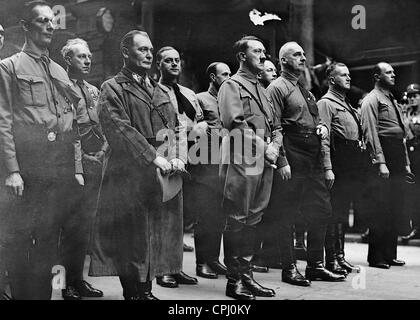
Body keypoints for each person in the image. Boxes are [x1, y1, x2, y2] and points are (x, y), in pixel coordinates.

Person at [89, 30, 187, 300]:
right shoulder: (113, 87)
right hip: (129, 170)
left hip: (163, 171)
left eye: (150, 50)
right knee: (132, 235)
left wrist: (177, 156)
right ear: (125, 52)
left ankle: (146, 290)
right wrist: (152, 156)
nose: (148, 54)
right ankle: (133, 293)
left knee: (157, 231)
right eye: (142, 49)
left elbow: (176, 128)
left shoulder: (160, 89)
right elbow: (118, 128)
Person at [0, 1, 84, 299]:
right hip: (28, 162)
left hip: (57, 164)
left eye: (52, 21)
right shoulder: (9, 67)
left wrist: (75, 167)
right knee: (21, 239)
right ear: (26, 26)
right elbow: (3, 122)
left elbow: (72, 123)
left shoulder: (59, 70)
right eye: (42, 21)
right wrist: (12, 171)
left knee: (49, 238)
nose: (50, 26)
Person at [267, 41, 345, 287]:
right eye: (297, 55)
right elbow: (273, 127)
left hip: (311, 156)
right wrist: (281, 161)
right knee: (287, 213)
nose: (303, 58)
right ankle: (289, 269)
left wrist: (325, 163)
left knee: (321, 210)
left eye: (303, 54)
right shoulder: (276, 88)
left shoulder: (306, 90)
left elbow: (319, 125)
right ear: (283, 60)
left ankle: (315, 266)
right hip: (292, 152)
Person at [218, 35, 281, 300]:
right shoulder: (231, 85)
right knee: (238, 218)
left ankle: (247, 275)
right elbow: (235, 125)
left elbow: (276, 126)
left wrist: (276, 144)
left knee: (255, 218)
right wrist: (265, 146)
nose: (264, 55)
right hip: (242, 161)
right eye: (257, 51)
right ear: (242, 56)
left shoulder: (264, 90)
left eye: (265, 51)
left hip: (265, 161)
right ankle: (234, 282)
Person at [154, 46, 205, 288]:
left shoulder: (188, 94)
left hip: (189, 156)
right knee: (162, 216)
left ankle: (175, 267)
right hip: (163, 155)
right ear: (159, 65)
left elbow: (202, 123)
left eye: (177, 60)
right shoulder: (153, 91)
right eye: (168, 61)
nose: (174, 64)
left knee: (179, 216)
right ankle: (162, 269)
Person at [60, 38, 106, 300]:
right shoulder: (61, 88)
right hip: (72, 167)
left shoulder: (93, 90)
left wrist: (101, 152)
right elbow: (70, 132)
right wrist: (82, 161)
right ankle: (63, 283)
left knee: (85, 225)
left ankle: (78, 280)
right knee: (66, 227)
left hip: (96, 163)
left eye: (89, 57)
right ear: (68, 59)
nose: (87, 61)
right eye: (81, 57)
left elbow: (103, 126)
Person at [361, 62, 410, 269]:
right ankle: (376, 257)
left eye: (393, 71)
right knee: (380, 208)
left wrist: (406, 162)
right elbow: (370, 133)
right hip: (384, 155)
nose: (393, 74)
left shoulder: (391, 99)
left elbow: (402, 135)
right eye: (388, 72)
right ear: (377, 76)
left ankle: (390, 254)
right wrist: (381, 162)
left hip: (396, 153)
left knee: (394, 206)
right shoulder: (371, 99)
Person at [318, 63, 365, 274]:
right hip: (338, 160)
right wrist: (327, 167)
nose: (348, 78)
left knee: (343, 211)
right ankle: (331, 260)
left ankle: (340, 256)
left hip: (350, 161)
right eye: (343, 75)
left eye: (349, 74)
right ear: (331, 80)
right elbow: (324, 140)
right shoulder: (326, 104)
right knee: (334, 211)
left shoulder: (345, 103)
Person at [193, 62, 231, 279]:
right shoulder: (200, 99)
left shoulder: (230, 101)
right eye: (224, 74)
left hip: (224, 164)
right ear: (212, 77)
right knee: (204, 214)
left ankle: (214, 259)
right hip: (206, 164)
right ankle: (201, 263)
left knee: (219, 214)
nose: (228, 77)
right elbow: (196, 130)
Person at [251, 58, 281, 273]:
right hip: (254, 156)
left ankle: (263, 255)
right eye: (269, 70)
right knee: (254, 211)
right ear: (260, 73)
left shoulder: (268, 95)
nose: (274, 73)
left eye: (275, 70)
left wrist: (276, 148)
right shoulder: (259, 93)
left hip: (272, 155)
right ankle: (251, 258)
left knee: (269, 210)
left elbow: (277, 126)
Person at [401, 83, 420, 243]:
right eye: (410, 96)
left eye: (416, 95)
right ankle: (415, 227)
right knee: (413, 195)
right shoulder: (406, 113)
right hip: (411, 158)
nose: (413, 98)